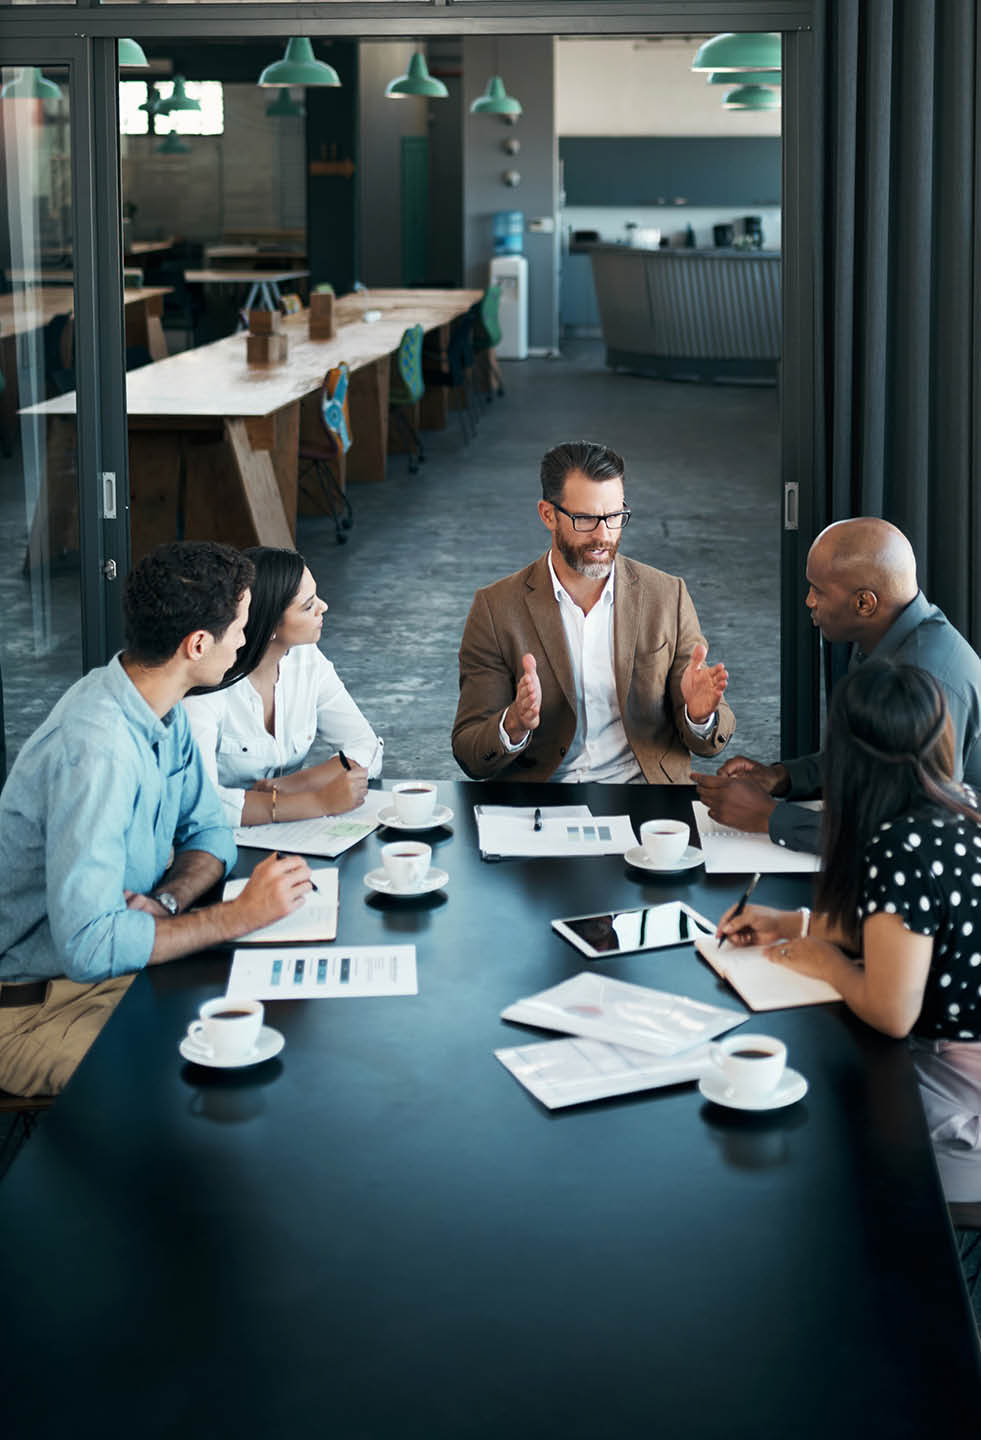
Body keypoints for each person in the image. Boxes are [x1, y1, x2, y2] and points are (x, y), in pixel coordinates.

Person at [0, 542, 314, 1098]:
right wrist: (239, 916)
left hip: (113, 971)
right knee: (212, 1074)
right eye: (240, 628)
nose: (245, 641)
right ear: (198, 644)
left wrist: (168, 901)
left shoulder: (158, 705)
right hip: (37, 1007)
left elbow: (210, 832)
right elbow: (90, 947)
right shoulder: (97, 752)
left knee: (268, 1030)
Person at [717, 660, 981, 1204]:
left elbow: (892, 1012)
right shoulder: (962, 806)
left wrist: (827, 960)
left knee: (814, 1124)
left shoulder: (898, 848)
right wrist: (795, 924)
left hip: (962, 1104)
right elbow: (921, 934)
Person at [452, 440, 735, 783]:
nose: (603, 535)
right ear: (548, 515)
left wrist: (699, 716)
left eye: (614, 517)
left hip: (643, 792)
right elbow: (470, 752)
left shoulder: (667, 596)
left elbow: (709, 741)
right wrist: (513, 724)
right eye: (585, 518)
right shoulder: (495, 608)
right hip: (544, 797)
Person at [695, 517, 981, 851]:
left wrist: (768, 817)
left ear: (864, 603)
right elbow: (870, 761)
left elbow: (910, 834)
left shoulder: (926, 682)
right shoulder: (886, 640)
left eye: (818, 590)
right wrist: (782, 777)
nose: (809, 601)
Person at [183, 547, 382, 828]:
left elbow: (366, 746)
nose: (324, 607)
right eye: (308, 606)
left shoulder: (306, 658)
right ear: (269, 625)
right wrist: (318, 802)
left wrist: (294, 783)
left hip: (290, 832)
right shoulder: (207, 685)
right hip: (221, 837)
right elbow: (200, 804)